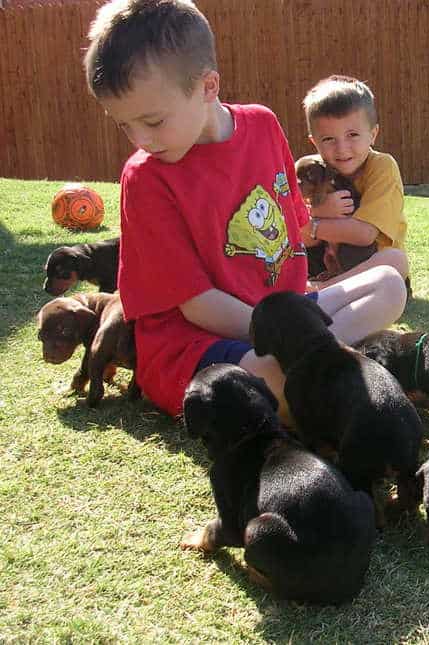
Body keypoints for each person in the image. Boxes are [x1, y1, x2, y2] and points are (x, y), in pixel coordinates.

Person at [83, 0, 408, 422]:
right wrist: (295, 339)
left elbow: (291, 226)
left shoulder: (263, 124)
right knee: (279, 387)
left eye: (153, 121)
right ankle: (332, 365)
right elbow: (197, 306)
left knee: (388, 283)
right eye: (125, 125)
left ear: (207, 86)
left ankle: (325, 365)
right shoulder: (144, 178)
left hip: (285, 312)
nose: (141, 139)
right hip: (200, 342)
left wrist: (302, 323)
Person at [301, 75, 410, 290]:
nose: (342, 148)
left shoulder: (382, 167)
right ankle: (320, 286)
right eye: (328, 139)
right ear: (314, 142)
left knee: (396, 260)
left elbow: (364, 234)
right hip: (322, 266)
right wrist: (317, 212)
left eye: (352, 135)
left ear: (373, 134)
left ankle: (323, 291)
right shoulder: (308, 170)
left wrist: (312, 219)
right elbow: (302, 240)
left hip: (371, 272)